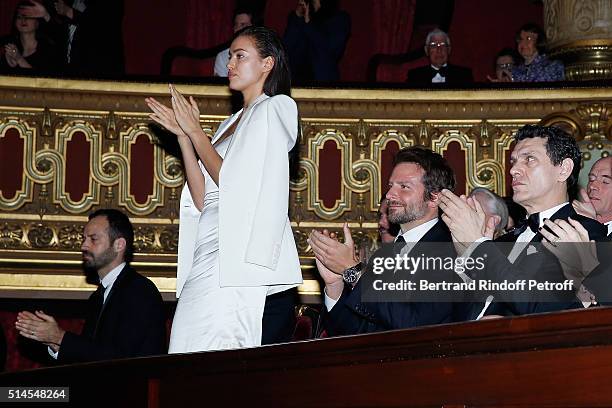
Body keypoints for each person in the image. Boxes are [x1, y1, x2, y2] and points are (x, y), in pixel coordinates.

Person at [146, 26, 302, 352]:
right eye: (230, 56)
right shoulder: (228, 123)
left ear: (267, 63)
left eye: (240, 56)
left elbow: (238, 186)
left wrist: (196, 132)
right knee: (185, 345)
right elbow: (204, 198)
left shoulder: (277, 108)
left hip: (239, 254)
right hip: (207, 246)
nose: (229, 64)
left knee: (222, 346)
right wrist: (185, 138)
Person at [440, 125, 606, 317]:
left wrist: (479, 247)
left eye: (529, 159)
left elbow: (544, 309)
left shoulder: (587, 233)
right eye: (514, 161)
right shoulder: (502, 242)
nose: (514, 170)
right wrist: (467, 257)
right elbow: (453, 316)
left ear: (563, 169)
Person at [309, 147, 467, 335]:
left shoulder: (451, 250)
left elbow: (415, 326)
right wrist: (334, 284)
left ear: (435, 198)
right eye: (390, 185)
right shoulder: (384, 255)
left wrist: (354, 270)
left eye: (404, 186)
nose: (390, 194)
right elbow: (353, 334)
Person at [14, 209, 166, 363]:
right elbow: (91, 354)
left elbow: (123, 359)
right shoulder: (98, 296)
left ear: (119, 245)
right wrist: (54, 343)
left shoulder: (139, 291)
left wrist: (60, 337)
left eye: (93, 239)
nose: (84, 246)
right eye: (84, 239)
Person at [18, 0, 125, 76]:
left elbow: (102, 29)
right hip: (71, 72)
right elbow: (63, 37)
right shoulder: (72, 2)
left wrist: (69, 12)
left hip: (100, 72)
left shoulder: (108, 3)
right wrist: (46, 15)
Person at [283, 0, 350, 82]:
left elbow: (331, 51)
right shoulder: (298, 19)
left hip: (322, 83)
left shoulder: (340, 18)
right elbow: (285, 50)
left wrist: (309, 25)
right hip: (296, 82)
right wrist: (297, 17)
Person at [0, 0, 60, 74]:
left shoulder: (47, 49)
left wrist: (20, 59)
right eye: (19, 17)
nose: (23, 20)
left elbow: (43, 81)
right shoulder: (7, 44)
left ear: (37, 23)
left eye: (28, 16)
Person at [406, 28, 473, 86]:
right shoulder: (414, 77)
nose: (439, 50)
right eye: (434, 45)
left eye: (443, 45)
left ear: (449, 50)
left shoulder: (464, 76)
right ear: (427, 50)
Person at [213, 8, 259, 77]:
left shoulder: (263, 54)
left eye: (243, 25)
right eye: (236, 25)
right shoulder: (223, 56)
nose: (237, 29)